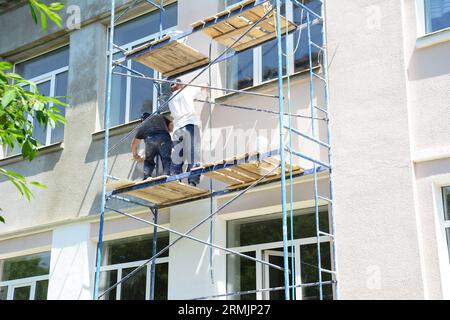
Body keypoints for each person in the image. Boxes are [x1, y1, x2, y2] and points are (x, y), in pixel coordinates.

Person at [169, 79, 207, 186]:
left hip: (177, 130)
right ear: (181, 85)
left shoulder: (170, 99)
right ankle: (193, 181)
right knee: (193, 154)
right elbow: (205, 84)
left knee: (177, 156)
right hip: (189, 126)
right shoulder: (187, 91)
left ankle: (175, 180)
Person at [131, 112, 173, 180]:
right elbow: (171, 124)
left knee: (149, 160)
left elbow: (134, 144)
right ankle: (167, 174)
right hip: (164, 138)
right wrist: (169, 130)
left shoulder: (143, 125)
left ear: (142, 119)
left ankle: (147, 177)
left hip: (150, 140)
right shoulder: (160, 117)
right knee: (166, 158)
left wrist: (135, 155)